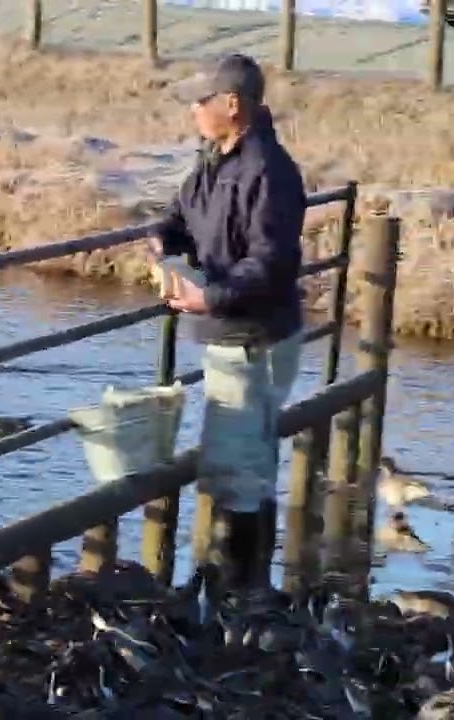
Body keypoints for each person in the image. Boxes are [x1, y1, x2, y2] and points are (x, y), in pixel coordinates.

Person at [149, 53, 307, 591]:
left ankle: (237, 593)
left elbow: (271, 261)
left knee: (239, 469)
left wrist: (210, 298)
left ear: (232, 105)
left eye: (202, 101)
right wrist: (164, 239)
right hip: (231, 331)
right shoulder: (214, 158)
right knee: (245, 460)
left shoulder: (268, 171)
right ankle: (241, 588)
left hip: (252, 337)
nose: (193, 110)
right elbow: (183, 214)